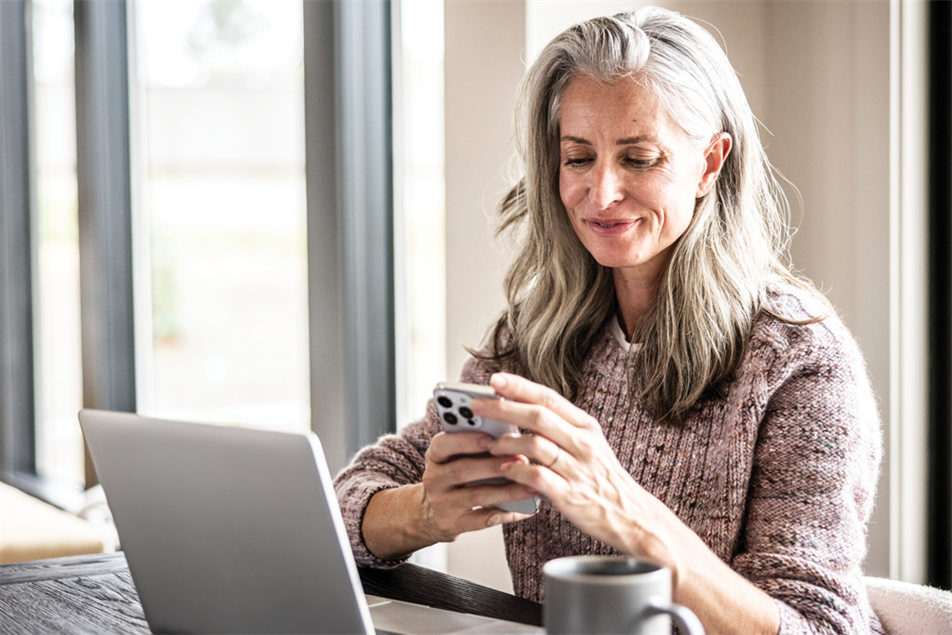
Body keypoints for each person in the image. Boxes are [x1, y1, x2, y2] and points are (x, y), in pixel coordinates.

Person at [334, 7, 883, 635]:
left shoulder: (800, 363)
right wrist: (427, 512)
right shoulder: (532, 340)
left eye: (639, 158)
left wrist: (621, 509)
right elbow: (351, 500)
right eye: (577, 158)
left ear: (709, 164)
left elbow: (821, 628)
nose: (600, 194)